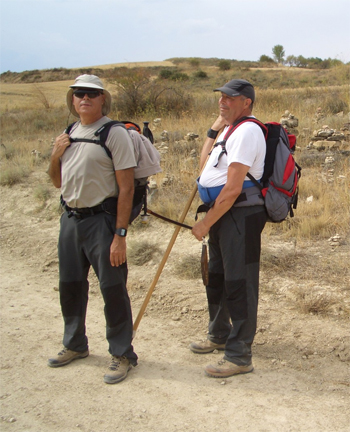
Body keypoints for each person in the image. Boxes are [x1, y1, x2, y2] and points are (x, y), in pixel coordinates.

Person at [47, 74, 138, 384]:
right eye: (79, 93)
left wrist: (120, 235)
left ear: (103, 100)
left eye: (92, 93)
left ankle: (122, 354)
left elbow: (126, 189)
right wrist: (56, 153)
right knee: (70, 286)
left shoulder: (113, 134)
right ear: (72, 100)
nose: (84, 98)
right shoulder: (68, 133)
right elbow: (57, 181)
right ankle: (74, 344)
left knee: (112, 289)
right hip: (70, 220)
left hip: (102, 222)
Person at [190, 79, 267, 378]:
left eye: (229, 98)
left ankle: (239, 355)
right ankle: (219, 334)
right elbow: (204, 167)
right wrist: (214, 129)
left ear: (246, 102)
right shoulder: (229, 130)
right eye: (220, 97)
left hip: (240, 216)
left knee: (240, 282)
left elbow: (233, 188)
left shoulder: (248, 131)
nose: (222, 102)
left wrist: (205, 222)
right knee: (218, 279)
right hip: (223, 215)